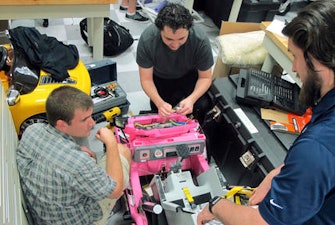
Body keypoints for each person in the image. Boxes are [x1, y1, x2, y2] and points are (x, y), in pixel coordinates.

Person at [197, 0, 335, 224]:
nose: (293, 68)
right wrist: (280, 172)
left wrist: (217, 205)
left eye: (296, 57)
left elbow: (261, 222)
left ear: (319, 62)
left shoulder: (317, 149)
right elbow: (332, 169)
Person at [16, 86, 132, 225]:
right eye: (84, 120)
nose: (93, 123)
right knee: (122, 151)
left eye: (91, 116)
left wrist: (76, 150)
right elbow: (116, 190)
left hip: (45, 215)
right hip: (80, 220)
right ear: (62, 124)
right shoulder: (79, 164)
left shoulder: (32, 130)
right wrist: (111, 144)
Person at [136, 3, 214, 125]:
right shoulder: (148, 40)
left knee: (202, 106)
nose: (175, 45)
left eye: (181, 39)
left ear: (189, 29)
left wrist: (191, 100)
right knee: (161, 114)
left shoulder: (200, 40)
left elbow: (205, 77)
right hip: (160, 78)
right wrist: (159, 103)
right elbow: (146, 79)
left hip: (189, 76)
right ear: (159, 30)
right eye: (169, 39)